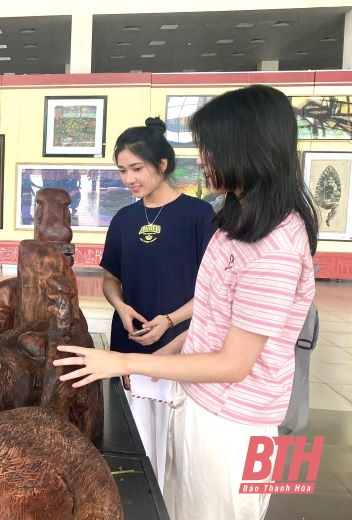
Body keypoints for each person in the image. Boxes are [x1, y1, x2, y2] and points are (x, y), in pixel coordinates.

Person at [55, 85, 319, 520]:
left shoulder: (275, 244)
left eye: (209, 148)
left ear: (247, 149)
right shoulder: (236, 221)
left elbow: (233, 364)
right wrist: (163, 351)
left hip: (237, 426)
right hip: (198, 400)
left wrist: (124, 363)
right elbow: (214, 316)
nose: (201, 160)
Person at [99, 116, 215, 484]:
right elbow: (109, 279)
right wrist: (120, 306)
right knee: (132, 434)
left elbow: (214, 291)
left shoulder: (199, 215)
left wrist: (169, 319)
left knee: (173, 437)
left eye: (137, 168)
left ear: (162, 165)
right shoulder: (124, 218)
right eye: (122, 171)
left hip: (179, 342)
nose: (130, 178)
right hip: (128, 340)